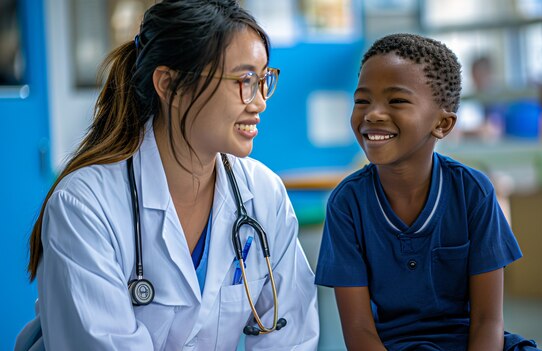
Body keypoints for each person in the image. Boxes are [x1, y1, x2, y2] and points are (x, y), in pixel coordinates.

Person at [14, 1, 319, 350]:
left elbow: (290, 336)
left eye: (264, 79)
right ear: (171, 85)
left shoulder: (264, 194)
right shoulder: (85, 206)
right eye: (244, 80)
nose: (260, 100)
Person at [315, 33, 540, 351]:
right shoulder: (347, 204)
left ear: (443, 124)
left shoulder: (474, 193)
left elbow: (488, 321)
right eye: (362, 100)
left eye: (396, 101)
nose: (372, 114)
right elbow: (359, 331)